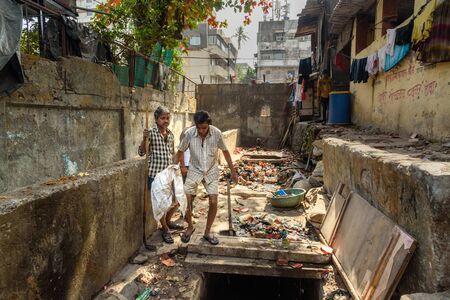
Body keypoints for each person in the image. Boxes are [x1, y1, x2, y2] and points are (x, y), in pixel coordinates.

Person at [174, 111, 238, 245]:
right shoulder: (190, 134)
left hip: (211, 170)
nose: (201, 131)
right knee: (185, 200)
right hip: (195, 170)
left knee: (213, 202)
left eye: (204, 127)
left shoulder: (216, 133)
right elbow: (180, 151)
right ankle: (190, 227)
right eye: (198, 127)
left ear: (209, 124)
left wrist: (233, 171)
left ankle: (207, 232)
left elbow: (225, 152)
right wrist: (173, 169)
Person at [138, 106, 182, 244]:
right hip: (155, 174)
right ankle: (165, 229)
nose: (166, 120)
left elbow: (172, 153)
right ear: (156, 119)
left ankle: (168, 221)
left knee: (178, 199)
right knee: (161, 204)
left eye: (167, 118)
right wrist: (144, 138)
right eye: (162, 118)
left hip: (169, 173)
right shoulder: (150, 133)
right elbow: (141, 153)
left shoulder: (171, 134)